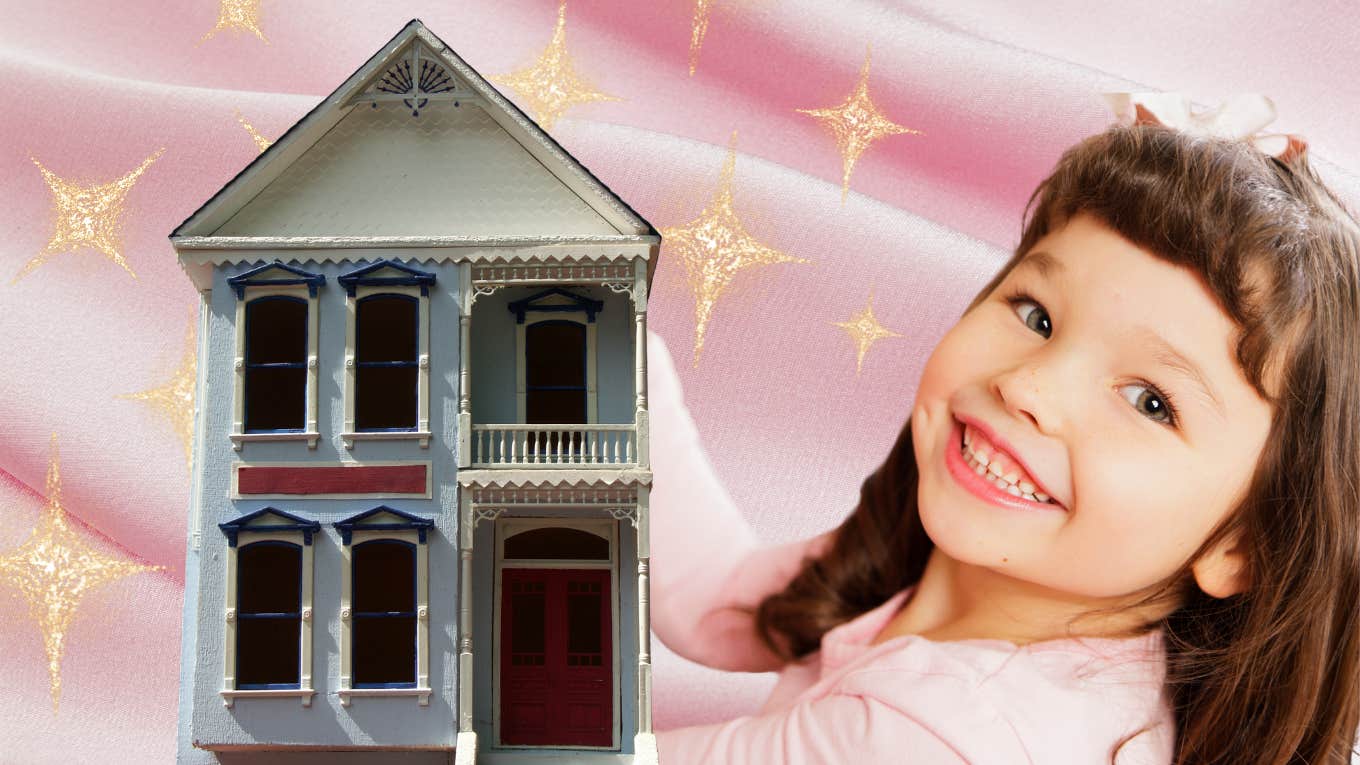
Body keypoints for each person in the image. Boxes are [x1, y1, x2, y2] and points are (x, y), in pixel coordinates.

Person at [648, 101, 1360, 764]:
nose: (1028, 386)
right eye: (1036, 315)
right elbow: (711, 599)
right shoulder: (978, 569)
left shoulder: (942, 735)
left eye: (1149, 401)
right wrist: (616, 348)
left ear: (1246, 544)